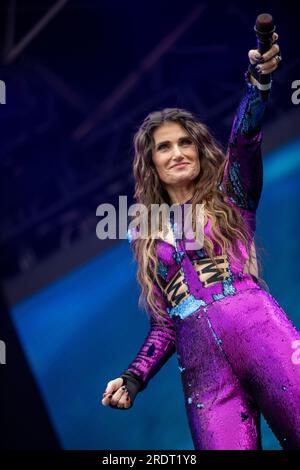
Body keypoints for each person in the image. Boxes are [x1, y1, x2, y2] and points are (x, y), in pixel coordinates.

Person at [101, 32, 300, 450]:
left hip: (264, 336)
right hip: (204, 376)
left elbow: (244, 139)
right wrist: (134, 377)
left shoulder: (232, 194)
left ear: (198, 147)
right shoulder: (146, 232)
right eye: (164, 147)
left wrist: (258, 84)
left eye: (185, 141)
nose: (177, 152)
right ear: (151, 162)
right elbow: (166, 322)